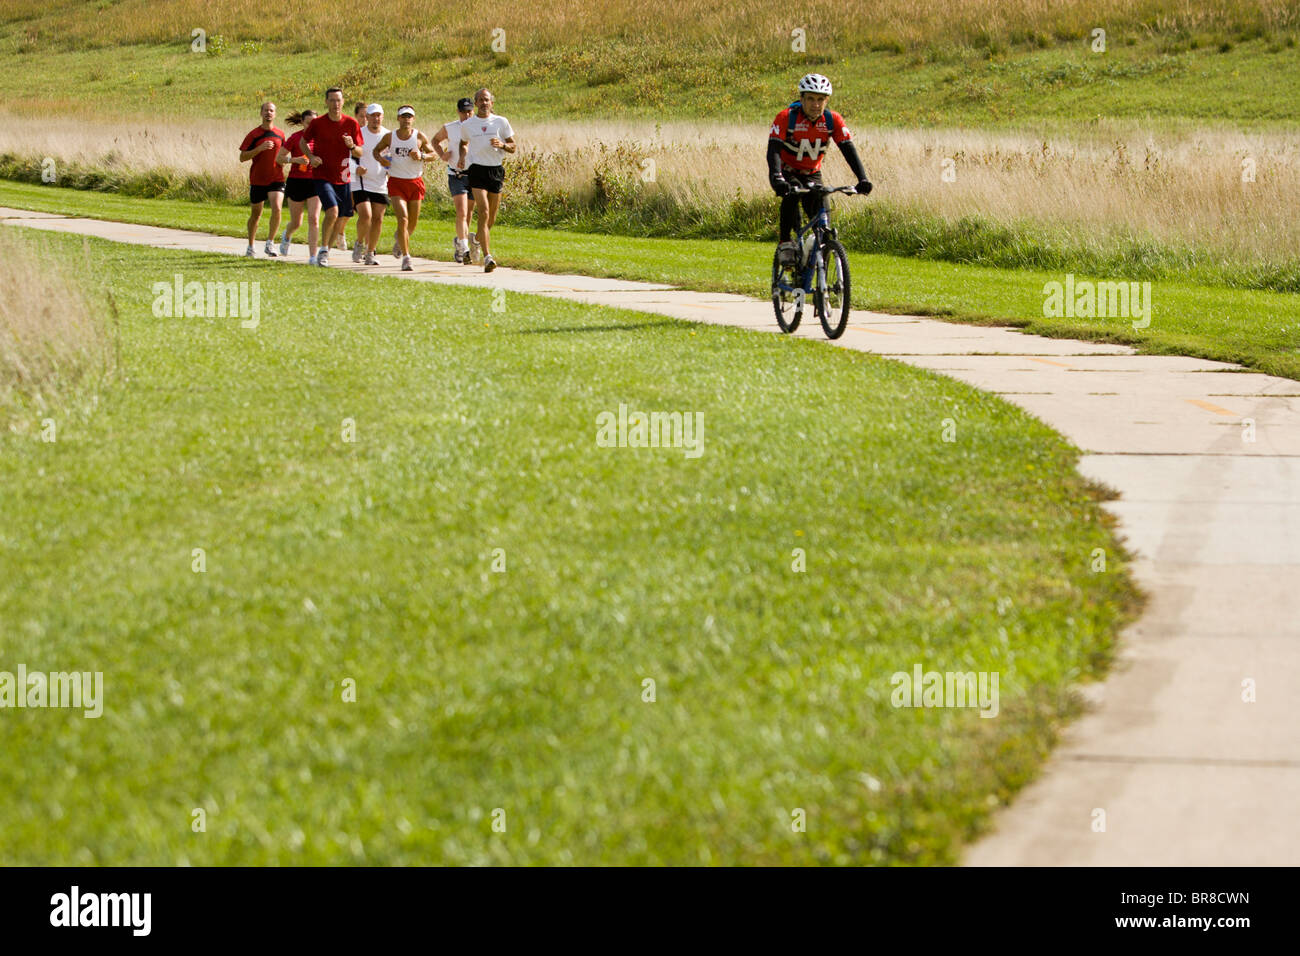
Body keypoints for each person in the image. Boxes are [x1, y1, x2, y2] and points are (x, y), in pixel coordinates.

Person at [767, 74, 872, 267]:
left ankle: (819, 277)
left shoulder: (832, 120)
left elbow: (848, 149)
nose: (816, 104)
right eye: (811, 99)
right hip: (789, 171)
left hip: (812, 173)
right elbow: (773, 150)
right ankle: (785, 243)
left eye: (821, 99)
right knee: (791, 196)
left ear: (827, 100)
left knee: (823, 225)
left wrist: (862, 178)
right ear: (802, 99)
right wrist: (776, 178)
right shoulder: (786, 118)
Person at [301, 88, 364, 267]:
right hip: (322, 175)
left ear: (343, 102)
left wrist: (352, 147)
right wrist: (311, 158)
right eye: (332, 100)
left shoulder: (351, 123)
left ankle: (326, 250)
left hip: (343, 178)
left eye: (338, 100)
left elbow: (360, 150)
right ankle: (322, 250)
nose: (335, 104)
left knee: (341, 216)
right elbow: (303, 141)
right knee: (333, 211)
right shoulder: (318, 123)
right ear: (326, 102)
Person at [456, 88, 515, 272]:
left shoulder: (501, 122)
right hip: (477, 170)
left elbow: (513, 146)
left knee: (491, 218)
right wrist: (462, 157)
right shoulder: (469, 124)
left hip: (496, 170)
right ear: (476, 103)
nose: (483, 103)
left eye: (486, 100)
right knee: (484, 211)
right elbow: (463, 142)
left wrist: (503, 145)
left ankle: (476, 241)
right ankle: (488, 256)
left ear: (492, 103)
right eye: (480, 100)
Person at [373, 105, 434, 272]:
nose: (406, 120)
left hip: (415, 182)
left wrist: (421, 155)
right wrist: (381, 160)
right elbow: (375, 150)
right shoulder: (390, 137)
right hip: (396, 182)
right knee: (403, 219)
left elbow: (433, 155)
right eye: (403, 116)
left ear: (413, 119)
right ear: (398, 118)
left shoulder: (419, 136)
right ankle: (407, 258)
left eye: (409, 117)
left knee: (412, 223)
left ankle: (400, 239)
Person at [237, 101, 286, 257]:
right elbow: (242, 157)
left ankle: (270, 243)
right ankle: (251, 245)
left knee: (277, 208)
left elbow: (283, 155)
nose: (268, 113)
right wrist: (259, 149)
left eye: (271, 110)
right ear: (261, 113)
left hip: (276, 178)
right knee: (256, 214)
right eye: (266, 110)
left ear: (275, 114)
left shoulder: (280, 134)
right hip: (258, 179)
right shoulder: (254, 135)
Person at [430, 97, 474, 263]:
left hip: (474, 174)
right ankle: (465, 247)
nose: (467, 115)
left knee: (468, 213)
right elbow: (435, 140)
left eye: (469, 111)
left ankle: (459, 241)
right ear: (458, 112)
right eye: (463, 112)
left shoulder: (477, 127)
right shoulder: (450, 128)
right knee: (461, 212)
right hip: (456, 174)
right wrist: (442, 154)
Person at [276, 109, 321, 260]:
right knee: (296, 222)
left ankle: (313, 257)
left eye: (314, 123)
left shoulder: (321, 138)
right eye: (308, 123)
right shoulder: (295, 138)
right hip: (296, 181)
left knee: (314, 219)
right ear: (302, 122)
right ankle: (287, 235)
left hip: (315, 181)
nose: (311, 126)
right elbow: (279, 158)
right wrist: (295, 160)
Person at [351, 103, 389, 265]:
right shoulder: (359, 134)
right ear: (367, 118)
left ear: (382, 117)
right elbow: (347, 156)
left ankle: (370, 252)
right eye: (372, 115)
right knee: (366, 215)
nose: (376, 118)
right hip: (361, 181)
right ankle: (359, 243)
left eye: (378, 115)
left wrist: (391, 169)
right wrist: (355, 168)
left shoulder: (388, 135)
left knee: (378, 219)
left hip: (380, 182)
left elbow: (392, 158)